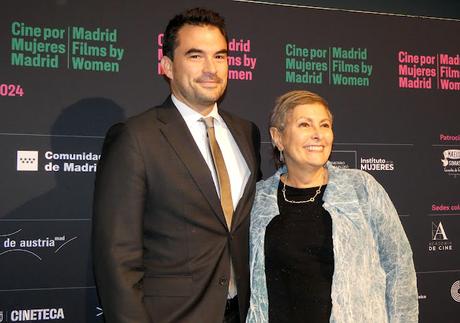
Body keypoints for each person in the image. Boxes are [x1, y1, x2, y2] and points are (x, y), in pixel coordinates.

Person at [92, 8, 261, 323]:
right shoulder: (136, 137)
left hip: (243, 313)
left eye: (220, 56)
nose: (211, 68)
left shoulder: (246, 132)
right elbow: (117, 256)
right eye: (195, 56)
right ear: (167, 66)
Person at [246, 90, 418, 323]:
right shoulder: (257, 200)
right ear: (278, 137)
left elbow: (399, 266)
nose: (318, 134)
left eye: (324, 125)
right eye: (305, 124)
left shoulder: (362, 188)